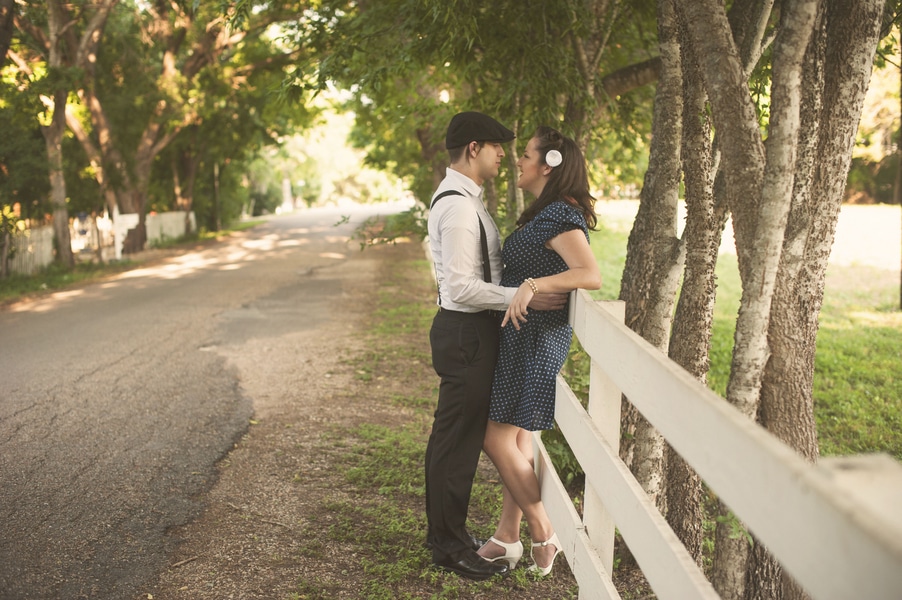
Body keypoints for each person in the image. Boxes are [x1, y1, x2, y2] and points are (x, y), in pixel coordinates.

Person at [425, 112, 568, 581]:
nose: (504, 155)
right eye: (496, 146)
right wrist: (524, 294)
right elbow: (463, 288)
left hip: (472, 332)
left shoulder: (469, 202)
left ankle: (454, 536)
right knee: (455, 440)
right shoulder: (460, 208)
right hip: (465, 331)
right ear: (473, 149)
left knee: (465, 439)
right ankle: (447, 546)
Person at [476, 126, 601, 576]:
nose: (518, 161)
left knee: (495, 438)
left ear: (549, 162)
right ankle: (507, 538)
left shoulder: (561, 217)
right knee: (518, 438)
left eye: (526, 155)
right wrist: (527, 287)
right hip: (521, 335)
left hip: (537, 339)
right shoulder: (544, 214)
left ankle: (543, 530)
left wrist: (533, 285)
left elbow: (589, 273)